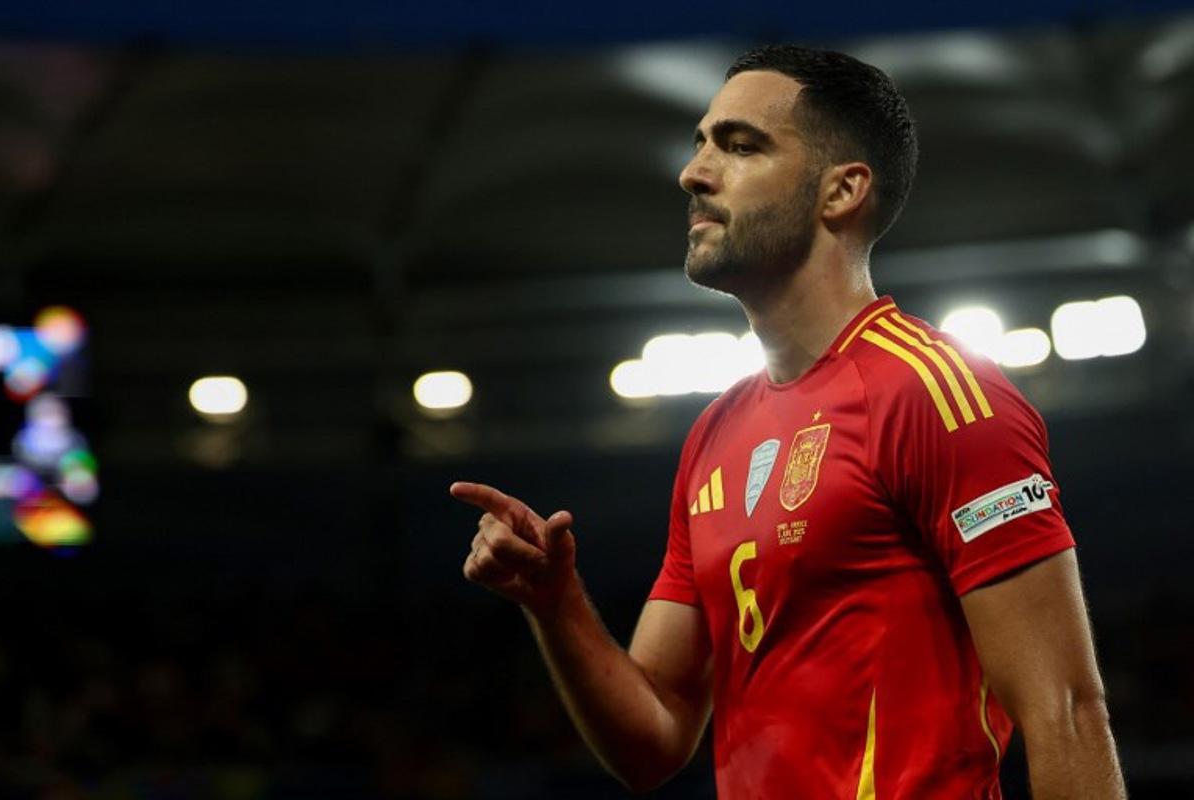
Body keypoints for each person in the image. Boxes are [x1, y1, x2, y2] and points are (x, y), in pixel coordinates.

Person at [452, 45, 1126, 798]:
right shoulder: (714, 436)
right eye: (701, 143)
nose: (695, 173)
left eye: (741, 146)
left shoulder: (938, 394)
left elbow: (1065, 711)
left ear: (841, 191)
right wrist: (556, 603)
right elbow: (658, 733)